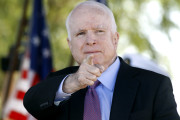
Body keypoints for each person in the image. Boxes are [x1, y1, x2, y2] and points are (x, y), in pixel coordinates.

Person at [23, 1, 180, 120]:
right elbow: (31, 102)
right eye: (81, 33)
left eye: (99, 31)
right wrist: (72, 83)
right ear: (70, 45)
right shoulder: (62, 85)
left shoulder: (154, 85)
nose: (90, 40)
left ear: (115, 39)